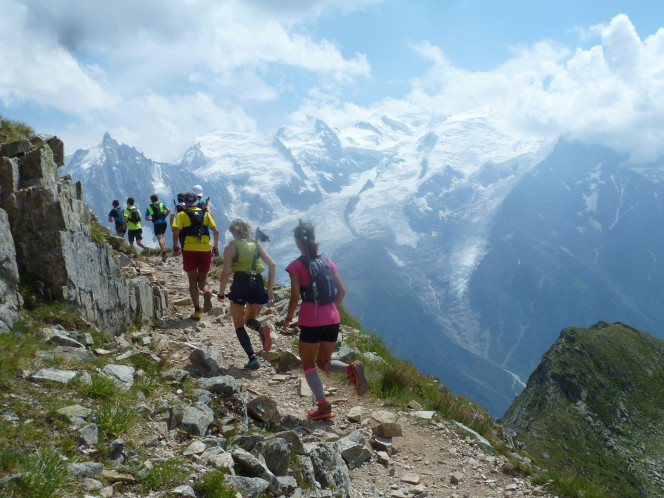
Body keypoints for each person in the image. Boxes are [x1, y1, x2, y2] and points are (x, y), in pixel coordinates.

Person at [283, 220, 367, 420]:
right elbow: (342, 290)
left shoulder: (296, 266)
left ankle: (323, 406)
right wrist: (331, 312)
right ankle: (349, 369)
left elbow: (295, 296)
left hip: (311, 320)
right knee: (324, 362)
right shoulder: (327, 262)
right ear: (313, 239)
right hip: (332, 317)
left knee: (309, 364)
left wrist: (287, 319)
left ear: (297, 242)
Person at [217, 219, 275, 369]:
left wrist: (221, 293)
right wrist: (269, 288)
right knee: (249, 319)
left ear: (233, 232)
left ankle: (252, 358)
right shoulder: (256, 245)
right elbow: (272, 265)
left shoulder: (231, 247)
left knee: (238, 324)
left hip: (241, 283)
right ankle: (260, 328)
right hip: (257, 283)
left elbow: (225, 273)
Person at [172, 191, 220, 321]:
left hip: (189, 249)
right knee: (202, 279)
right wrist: (215, 248)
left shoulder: (181, 214)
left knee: (192, 281)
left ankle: (197, 311)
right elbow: (216, 231)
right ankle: (206, 291)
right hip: (205, 249)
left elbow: (176, 234)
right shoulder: (205, 214)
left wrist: (176, 247)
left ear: (185, 203)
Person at [145, 193, 171, 262]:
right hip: (164, 222)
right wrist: (165, 216)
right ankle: (164, 251)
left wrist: (151, 219)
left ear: (151, 200)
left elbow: (146, 217)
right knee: (163, 237)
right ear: (157, 199)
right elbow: (168, 210)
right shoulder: (161, 204)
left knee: (159, 238)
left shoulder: (149, 207)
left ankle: (164, 253)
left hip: (157, 223)